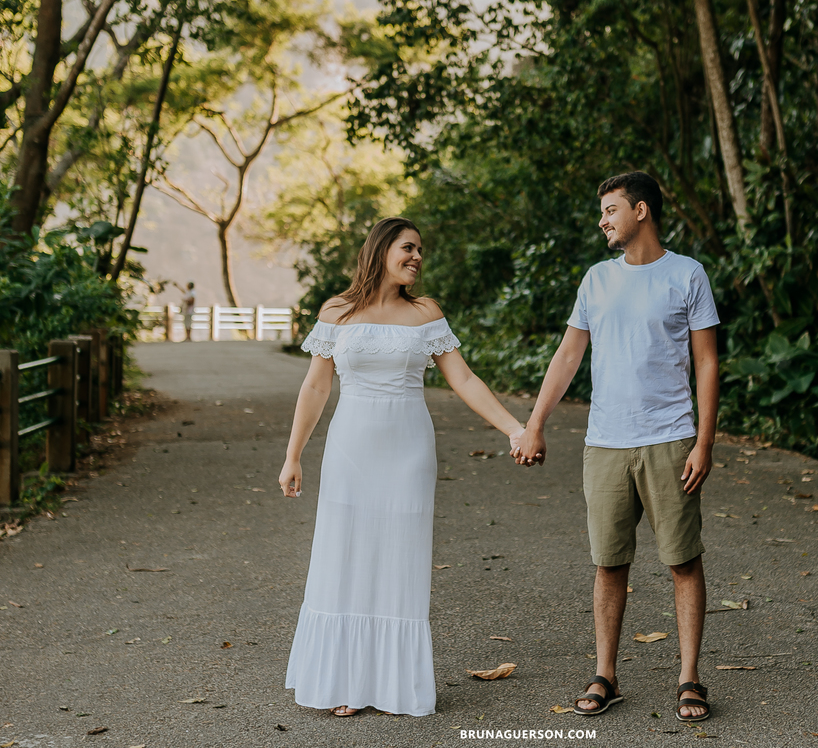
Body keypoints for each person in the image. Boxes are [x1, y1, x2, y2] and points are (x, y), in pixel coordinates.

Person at [278, 217, 525, 717]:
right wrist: (293, 455)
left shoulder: (426, 313)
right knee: (344, 556)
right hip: (350, 450)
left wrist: (514, 429)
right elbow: (316, 387)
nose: (416, 257)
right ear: (381, 249)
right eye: (408, 248)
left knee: (399, 559)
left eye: (420, 251)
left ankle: (392, 686)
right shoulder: (337, 311)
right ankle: (342, 683)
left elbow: (465, 379)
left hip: (409, 451)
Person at [514, 171, 720, 722]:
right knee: (609, 564)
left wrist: (703, 441)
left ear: (641, 211)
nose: (603, 221)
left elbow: (706, 361)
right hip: (605, 443)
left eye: (610, 210)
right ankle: (605, 674)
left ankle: (689, 678)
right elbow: (567, 357)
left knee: (682, 560)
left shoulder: (687, 275)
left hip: (670, 439)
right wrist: (534, 424)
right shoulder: (596, 281)